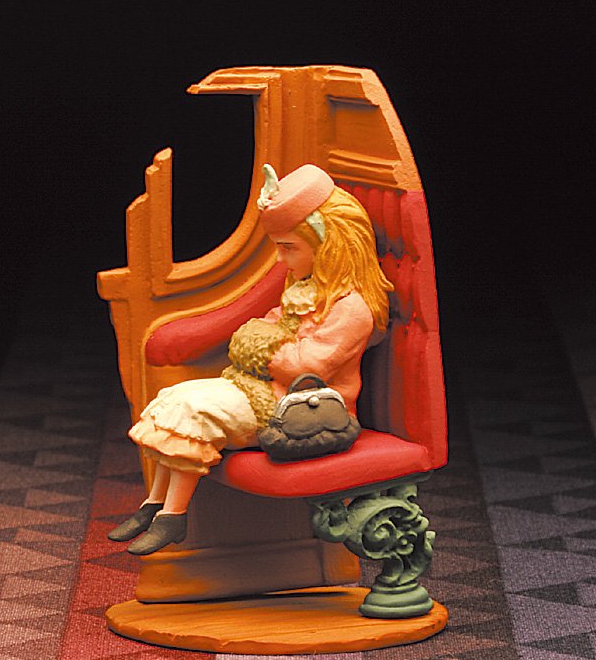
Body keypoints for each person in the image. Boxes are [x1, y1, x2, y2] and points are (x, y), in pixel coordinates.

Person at [108, 163, 393, 554]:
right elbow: (267, 329)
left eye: (289, 247)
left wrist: (260, 343)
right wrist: (265, 340)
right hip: (266, 390)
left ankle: (174, 515)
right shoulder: (305, 289)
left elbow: (304, 366)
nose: (280, 259)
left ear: (330, 246)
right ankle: (155, 504)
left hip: (303, 409)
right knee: (172, 398)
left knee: (194, 412)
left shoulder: (350, 308)